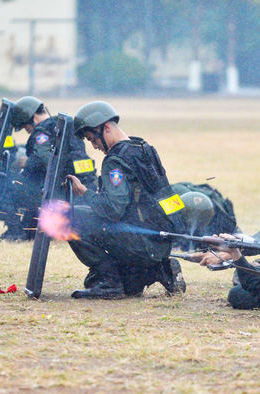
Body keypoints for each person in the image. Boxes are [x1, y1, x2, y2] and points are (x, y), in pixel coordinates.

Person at [65, 101, 186, 299]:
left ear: (105, 128)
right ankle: (160, 270)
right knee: (129, 286)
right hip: (158, 241)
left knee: (68, 217)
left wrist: (84, 192)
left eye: (92, 139)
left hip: (140, 243)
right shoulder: (143, 149)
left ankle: (108, 282)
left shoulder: (115, 160)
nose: (94, 146)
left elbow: (112, 210)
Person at [0, 96, 98, 241]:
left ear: (32, 118)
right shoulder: (64, 125)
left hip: (58, 188)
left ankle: (15, 233)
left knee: (7, 192)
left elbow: (47, 161)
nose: (28, 132)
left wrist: (28, 162)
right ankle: (31, 230)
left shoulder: (43, 131)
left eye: (27, 128)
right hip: (80, 187)